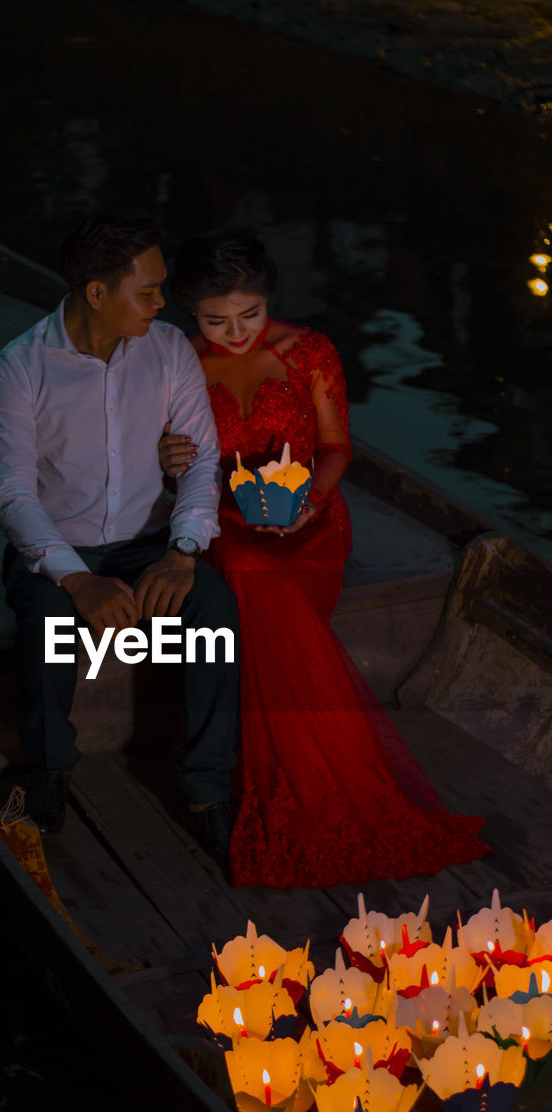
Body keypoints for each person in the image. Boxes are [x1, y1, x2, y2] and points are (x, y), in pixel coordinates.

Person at [161, 227, 488, 888]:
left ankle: (303, 776)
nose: (234, 332)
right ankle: (303, 778)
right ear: (189, 311)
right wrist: (170, 464)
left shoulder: (307, 351)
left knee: (266, 585)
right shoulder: (175, 363)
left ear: (267, 300)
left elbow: (337, 447)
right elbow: (172, 467)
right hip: (224, 514)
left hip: (309, 518)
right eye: (215, 320)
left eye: (249, 315)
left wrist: (310, 500)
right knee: (249, 574)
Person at [0, 212, 239, 855]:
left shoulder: (168, 350)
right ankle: (50, 769)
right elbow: (11, 491)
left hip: (150, 542)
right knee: (46, 618)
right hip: (60, 549)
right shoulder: (22, 366)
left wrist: (182, 554)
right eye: (146, 290)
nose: (162, 301)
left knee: (211, 606)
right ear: (96, 293)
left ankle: (208, 785)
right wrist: (75, 577)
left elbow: (203, 459)